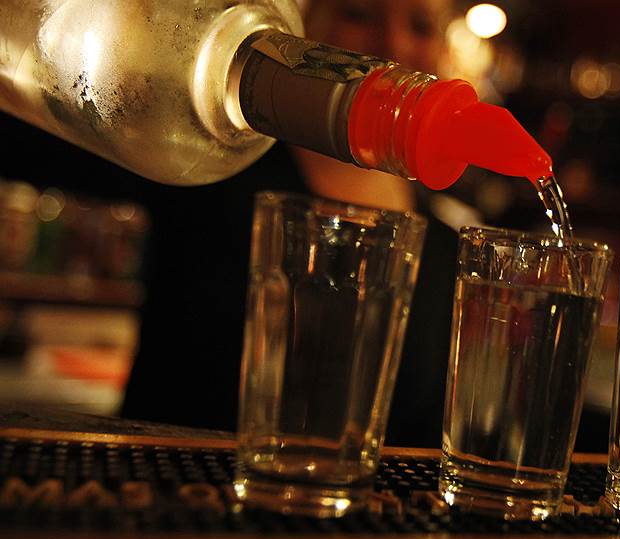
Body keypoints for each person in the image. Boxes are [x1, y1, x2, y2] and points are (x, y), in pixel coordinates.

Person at [0, 0, 459, 447]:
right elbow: (35, 138)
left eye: (421, 26)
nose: (392, 44)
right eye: (357, 14)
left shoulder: (446, 241)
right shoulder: (209, 147)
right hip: (166, 478)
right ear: (309, 31)